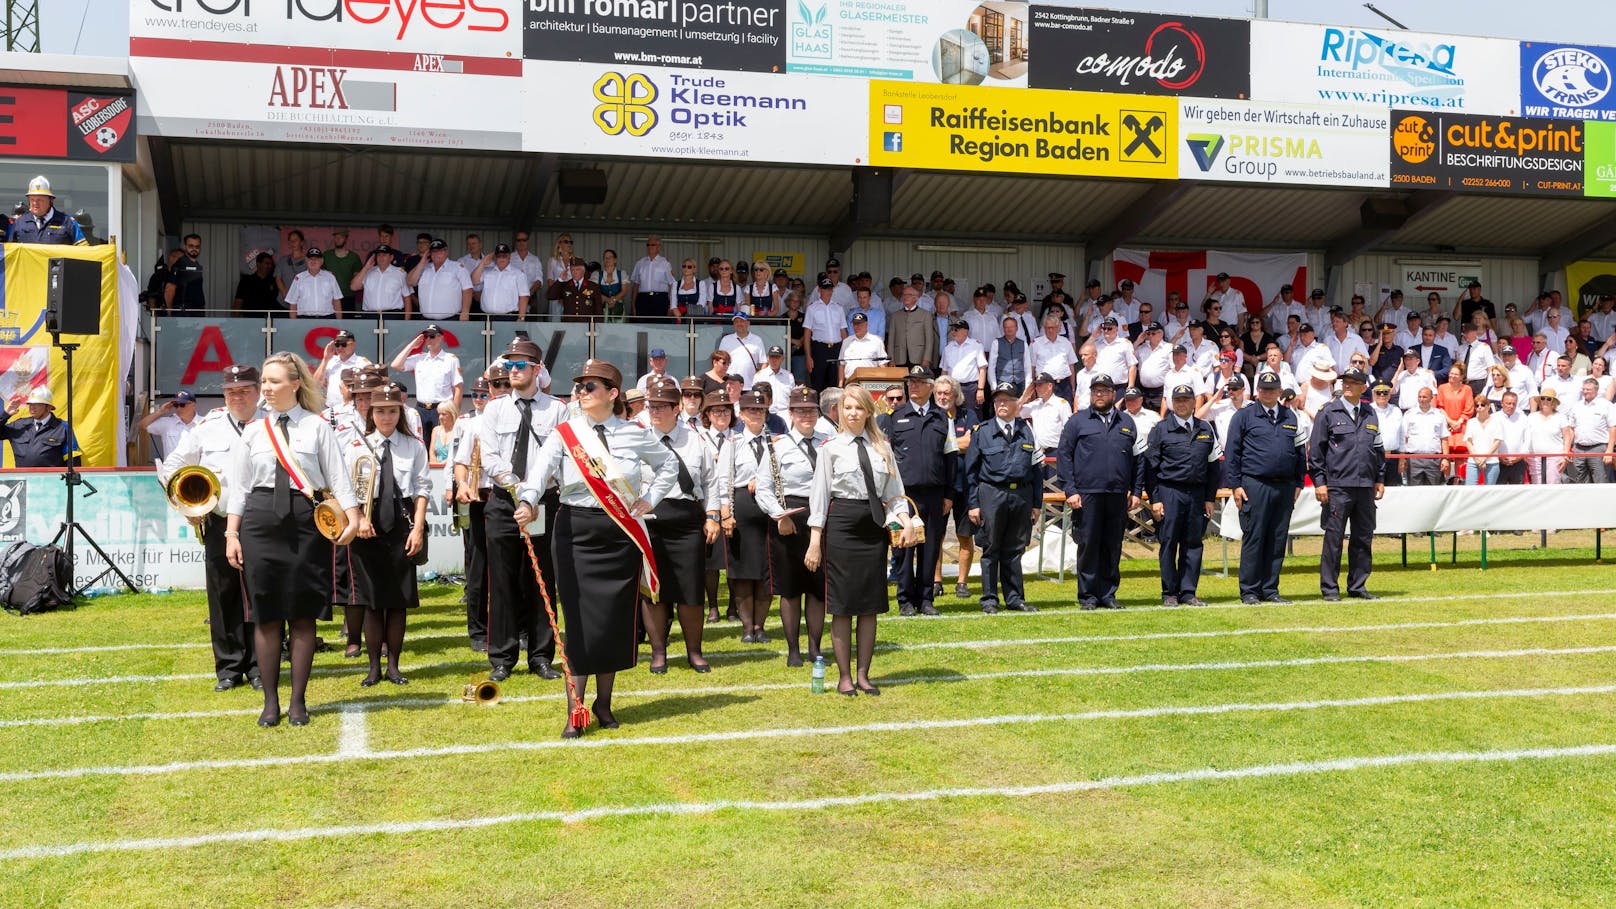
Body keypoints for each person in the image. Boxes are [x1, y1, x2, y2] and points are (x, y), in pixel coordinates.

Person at [515, 359, 677, 737]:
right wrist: (527, 500)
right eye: (579, 387)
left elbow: (668, 464)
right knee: (579, 621)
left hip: (619, 531)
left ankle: (603, 703)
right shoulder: (565, 433)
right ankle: (576, 709)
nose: (581, 393)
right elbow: (539, 471)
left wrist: (650, 498)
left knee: (613, 620)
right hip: (575, 531)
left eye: (590, 387)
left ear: (613, 393)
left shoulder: (634, 433)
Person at [224, 353, 362, 727]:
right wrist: (231, 534)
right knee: (265, 616)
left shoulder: (317, 427)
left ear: (295, 383)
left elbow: (338, 477)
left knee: (303, 615)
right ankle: (270, 702)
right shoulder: (253, 430)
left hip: (306, 522)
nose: (266, 389)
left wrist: (353, 516)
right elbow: (238, 490)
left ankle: (298, 701)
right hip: (260, 522)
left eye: (274, 381)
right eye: (264, 382)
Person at [159, 364, 264, 691]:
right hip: (218, 520)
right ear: (223, 394)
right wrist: (185, 504)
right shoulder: (207, 427)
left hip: (261, 522)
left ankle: (260, 666)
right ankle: (229, 669)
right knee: (223, 596)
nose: (238, 396)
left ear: (257, 392)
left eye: (245, 390)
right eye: (232, 391)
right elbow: (173, 465)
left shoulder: (272, 423)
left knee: (260, 594)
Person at [804, 384, 915, 696]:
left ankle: (864, 675)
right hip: (841, 528)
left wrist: (905, 520)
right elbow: (820, 495)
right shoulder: (830, 448)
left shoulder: (883, 447)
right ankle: (844, 677)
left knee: (869, 606)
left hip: (873, 529)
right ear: (839, 411)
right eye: (847, 407)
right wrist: (815, 539)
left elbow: (894, 492)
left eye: (858, 408)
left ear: (869, 411)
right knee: (842, 606)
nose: (852, 413)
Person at [475, 338, 569, 683]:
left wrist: (533, 493)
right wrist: (517, 488)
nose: (512, 371)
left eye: (519, 366)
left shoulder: (557, 409)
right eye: (509, 366)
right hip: (504, 501)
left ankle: (541, 656)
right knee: (501, 580)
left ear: (536, 369)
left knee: (541, 576)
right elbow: (489, 458)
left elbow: (561, 456)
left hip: (543, 500)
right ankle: (502, 657)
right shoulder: (495, 408)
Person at [350, 386, 428, 686]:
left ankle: (394, 665)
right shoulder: (357, 445)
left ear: (401, 413)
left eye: (392, 411)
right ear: (371, 413)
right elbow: (347, 489)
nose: (386, 416)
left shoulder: (413, 446)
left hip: (401, 525)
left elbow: (422, 490)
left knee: (397, 601)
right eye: (380, 411)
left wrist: (418, 528)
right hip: (367, 527)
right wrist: (358, 520)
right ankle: (373, 668)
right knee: (372, 601)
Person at [639, 378, 716, 674]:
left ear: (676, 407)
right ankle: (659, 653)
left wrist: (713, 516)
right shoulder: (640, 439)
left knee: (690, 591)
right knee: (654, 591)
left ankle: (694, 652)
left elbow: (711, 480)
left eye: (660, 406)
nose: (654, 411)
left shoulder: (696, 438)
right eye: (651, 406)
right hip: (650, 520)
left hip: (686, 521)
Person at [755, 387, 831, 665]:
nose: (806, 415)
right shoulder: (777, 445)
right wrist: (780, 515)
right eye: (800, 410)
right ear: (791, 414)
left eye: (811, 409)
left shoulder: (829, 443)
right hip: (790, 519)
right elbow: (763, 488)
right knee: (790, 589)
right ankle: (793, 651)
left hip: (821, 517)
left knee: (817, 587)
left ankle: (815, 647)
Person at [1055, 376, 1143, 609]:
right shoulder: (1077, 421)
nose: (1100, 395)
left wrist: (1136, 490)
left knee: (1112, 545)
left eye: (1104, 391)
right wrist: (1070, 490)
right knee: (1088, 544)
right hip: (1087, 494)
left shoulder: (1127, 422)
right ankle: (1088, 596)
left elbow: (1138, 460)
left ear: (1114, 394)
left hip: (1117, 494)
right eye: (1095, 391)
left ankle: (1108, 594)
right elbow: (1063, 456)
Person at [1222, 371, 1308, 603]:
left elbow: (1300, 452)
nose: (1268, 393)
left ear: (1280, 392)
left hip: (1285, 486)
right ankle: (1249, 590)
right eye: (1264, 389)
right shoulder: (1244, 416)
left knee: (1277, 538)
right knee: (1255, 537)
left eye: (1272, 389)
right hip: (1254, 485)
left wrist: (1299, 482)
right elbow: (1232, 452)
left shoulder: (1291, 417)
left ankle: (1270, 590)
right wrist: (1235, 485)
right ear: (1258, 391)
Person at [880, 366, 953, 617]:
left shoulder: (943, 417)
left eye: (920, 382)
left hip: (934, 494)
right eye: (911, 381)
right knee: (903, 548)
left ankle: (925, 599)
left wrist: (949, 495)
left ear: (931, 386)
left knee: (930, 548)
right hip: (904, 495)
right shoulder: (894, 416)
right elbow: (886, 458)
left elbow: (950, 458)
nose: (914, 386)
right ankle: (905, 600)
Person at [1309, 367, 1385, 602]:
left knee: (1363, 537)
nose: (1347, 385)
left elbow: (1378, 449)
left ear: (1364, 387)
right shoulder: (1328, 411)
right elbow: (1316, 452)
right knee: (1334, 538)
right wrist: (1320, 482)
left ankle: (1358, 586)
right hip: (1338, 485)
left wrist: (1380, 478)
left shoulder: (1371, 413)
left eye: (1353, 382)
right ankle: (1330, 589)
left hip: (1364, 486)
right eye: (1345, 381)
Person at [966, 382, 1041, 614]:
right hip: (992, 493)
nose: (1001, 404)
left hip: (1021, 495)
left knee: (1015, 548)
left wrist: (1037, 503)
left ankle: (1014, 598)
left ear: (1016, 403)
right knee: (990, 548)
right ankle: (989, 599)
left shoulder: (1028, 430)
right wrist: (973, 504)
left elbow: (1037, 470)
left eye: (1006, 400)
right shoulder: (982, 431)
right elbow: (971, 471)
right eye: (997, 400)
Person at [1144, 384, 1221, 607]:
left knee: (1193, 544)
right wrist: (1156, 499)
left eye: (1186, 399)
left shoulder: (1205, 428)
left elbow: (1214, 467)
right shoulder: (1160, 429)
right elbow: (1151, 469)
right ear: (1171, 403)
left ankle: (1188, 592)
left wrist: (1209, 498)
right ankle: (1169, 592)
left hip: (1197, 494)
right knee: (1169, 543)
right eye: (1177, 400)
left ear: (1193, 402)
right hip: (1170, 492)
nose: (1181, 404)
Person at [715, 389, 777, 642]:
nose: (756, 414)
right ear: (740, 414)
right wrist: (725, 514)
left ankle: (760, 627)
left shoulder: (776, 443)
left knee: (766, 572)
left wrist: (760, 479)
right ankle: (747, 628)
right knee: (742, 573)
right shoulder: (732, 443)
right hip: (742, 510)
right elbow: (721, 480)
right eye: (751, 409)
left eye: (760, 410)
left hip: (770, 512)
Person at [453, 368, 508, 651]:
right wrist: (462, 483)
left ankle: (516, 627)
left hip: (516, 496)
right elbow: (461, 461)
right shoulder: (474, 424)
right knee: (479, 566)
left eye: (503, 385)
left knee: (514, 566)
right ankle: (478, 631)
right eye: (493, 387)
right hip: (482, 496)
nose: (498, 391)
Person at [698, 390, 737, 622]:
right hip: (708, 505)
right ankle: (713, 605)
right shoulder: (700, 438)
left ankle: (733, 605)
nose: (721, 414)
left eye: (726, 410)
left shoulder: (738, 437)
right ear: (708, 414)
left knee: (733, 558)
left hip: (733, 504)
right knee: (710, 559)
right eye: (716, 410)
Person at [389, 325, 462, 440]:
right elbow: (396, 365)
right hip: (421, 409)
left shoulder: (451, 359)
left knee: (440, 444)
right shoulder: (419, 358)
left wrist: (454, 413)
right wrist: (412, 345)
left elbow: (458, 389)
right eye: (426, 336)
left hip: (441, 409)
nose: (428, 339)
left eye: (432, 336)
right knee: (420, 444)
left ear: (440, 338)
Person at [1, 386, 81, 467]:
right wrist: (5, 414)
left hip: (50, 479)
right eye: (30, 404)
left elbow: (73, 461)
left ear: (49, 407)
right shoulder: (19, 425)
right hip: (23, 479)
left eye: (37, 404)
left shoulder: (63, 427)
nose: (32, 408)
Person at [6, 176, 86, 244]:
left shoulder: (68, 223)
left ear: (51, 200)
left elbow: (83, 252)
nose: (35, 203)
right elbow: (10, 254)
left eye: (40, 200)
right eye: (32, 199)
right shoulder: (19, 223)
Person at [1565, 378, 1616, 484]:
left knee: (1601, 481)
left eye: (1588, 389)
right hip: (1578, 449)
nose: (1585, 391)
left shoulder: (1606, 405)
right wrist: (1568, 450)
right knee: (1580, 482)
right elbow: (1571, 429)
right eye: (1583, 389)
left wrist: (1609, 451)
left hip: (1599, 449)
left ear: (1596, 390)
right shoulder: (1576, 406)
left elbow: (1613, 428)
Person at [409, 238, 473, 322]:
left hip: (450, 319)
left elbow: (467, 290)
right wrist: (422, 262)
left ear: (446, 252)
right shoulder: (424, 268)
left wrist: (465, 312)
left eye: (439, 251)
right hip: (425, 320)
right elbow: (410, 282)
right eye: (433, 251)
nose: (436, 254)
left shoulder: (457, 267)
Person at [1401, 387, 1449, 486]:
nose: (1421, 399)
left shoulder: (1439, 415)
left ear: (1431, 398)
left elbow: (1444, 438)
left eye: (1424, 397)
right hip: (1413, 459)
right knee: (1414, 493)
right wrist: (1403, 458)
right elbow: (1404, 438)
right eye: (1420, 397)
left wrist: (1445, 458)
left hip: (1434, 459)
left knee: (1435, 491)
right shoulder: (1409, 414)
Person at [137, 391, 201, 461]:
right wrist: (160, 411)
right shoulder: (167, 422)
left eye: (182, 405)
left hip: (197, 470)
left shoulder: (204, 422)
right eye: (176, 405)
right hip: (171, 470)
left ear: (193, 405)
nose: (178, 408)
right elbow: (142, 425)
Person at [887, 286, 938, 369]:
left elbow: (929, 340)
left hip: (919, 358)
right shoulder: (895, 316)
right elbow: (891, 340)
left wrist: (927, 359)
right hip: (899, 358)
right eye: (904, 294)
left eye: (909, 294)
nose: (906, 297)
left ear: (916, 297)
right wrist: (891, 359)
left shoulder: (926, 315)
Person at [1527, 389, 1572, 484]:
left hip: (1555, 456)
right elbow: (1526, 437)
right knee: (1536, 486)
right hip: (1535, 458)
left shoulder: (1561, 417)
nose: (1545, 401)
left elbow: (1567, 438)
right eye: (1543, 398)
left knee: (1553, 486)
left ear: (1553, 402)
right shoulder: (1531, 417)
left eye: (1549, 399)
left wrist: (1565, 456)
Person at [628, 235, 678, 321]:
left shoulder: (665, 263)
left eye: (652, 245)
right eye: (648, 245)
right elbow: (635, 286)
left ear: (659, 247)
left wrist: (671, 306)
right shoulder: (640, 263)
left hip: (660, 300)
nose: (649, 247)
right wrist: (633, 305)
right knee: (642, 328)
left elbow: (672, 285)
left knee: (660, 327)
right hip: (643, 299)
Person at [165, 234, 207, 314]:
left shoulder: (197, 265)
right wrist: (170, 310)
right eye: (191, 246)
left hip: (197, 311)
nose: (194, 249)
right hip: (183, 311)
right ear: (184, 247)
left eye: (197, 246)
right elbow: (169, 289)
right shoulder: (179, 264)